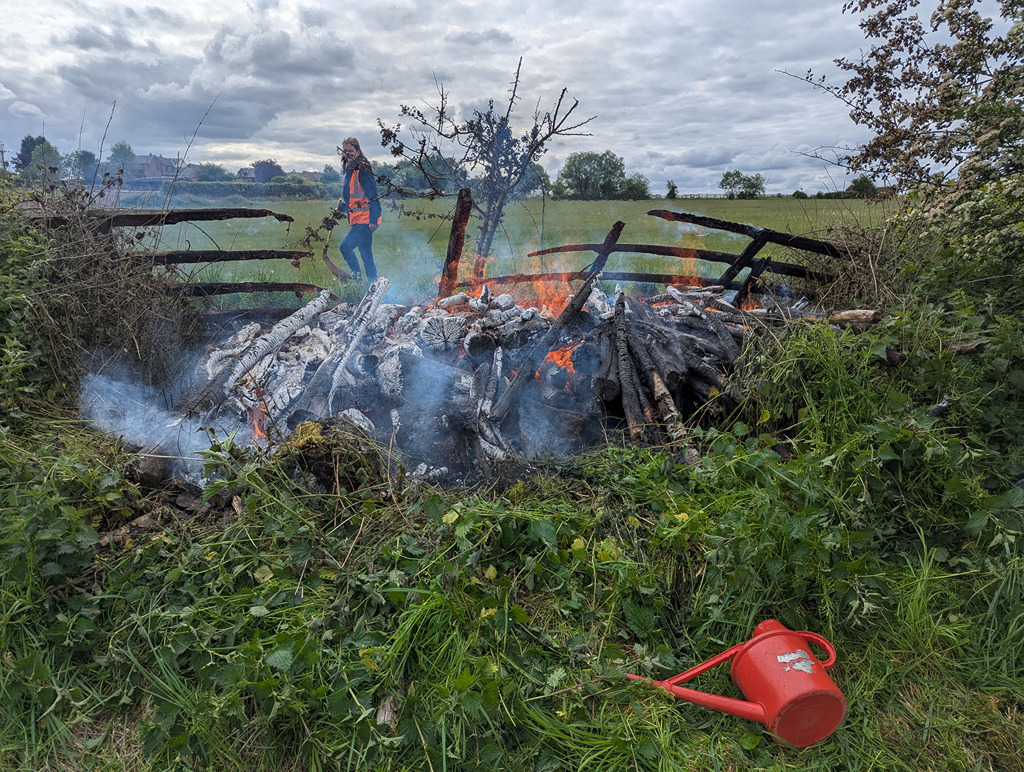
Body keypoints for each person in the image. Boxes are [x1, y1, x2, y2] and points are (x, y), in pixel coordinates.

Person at [335, 137, 382, 282]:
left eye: (350, 151)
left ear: (357, 151)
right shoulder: (352, 169)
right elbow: (355, 198)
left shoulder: (362, 168)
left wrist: (374, 220)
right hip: (358, 220)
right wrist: (342, 208)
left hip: (365, 220)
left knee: (345, 248)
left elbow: (373, 195)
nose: (347, 154)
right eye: (345, 151)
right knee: (366, 255)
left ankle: (357, 278)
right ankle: (373, 285)